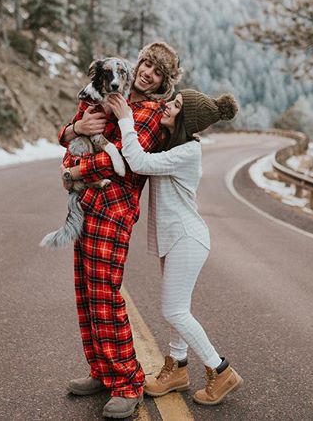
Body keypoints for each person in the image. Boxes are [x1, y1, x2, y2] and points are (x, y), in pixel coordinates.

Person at [57, 41, 182, 419]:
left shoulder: (149, 112)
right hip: (86, 205)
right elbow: (71, 136)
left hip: (114, 210)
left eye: (157, 72)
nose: (147, 73)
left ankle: (128, 383)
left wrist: (75, 172)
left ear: (163, 82)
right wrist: (73, 128)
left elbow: (125, 163)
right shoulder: (112, 92)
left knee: (106, 294)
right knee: (85, 293)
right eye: (145, 64)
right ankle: (102, 370)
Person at [105, 88, 244, 405]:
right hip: (177, 238)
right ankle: (177, 368)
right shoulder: (175, 145)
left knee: (174, 310)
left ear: (185, 119)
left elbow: (138, 161)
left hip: (186, 238)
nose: (168, 106)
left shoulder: (188, 151)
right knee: (178, 309)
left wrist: (126, 120)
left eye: (176, 105)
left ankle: (221, 370)